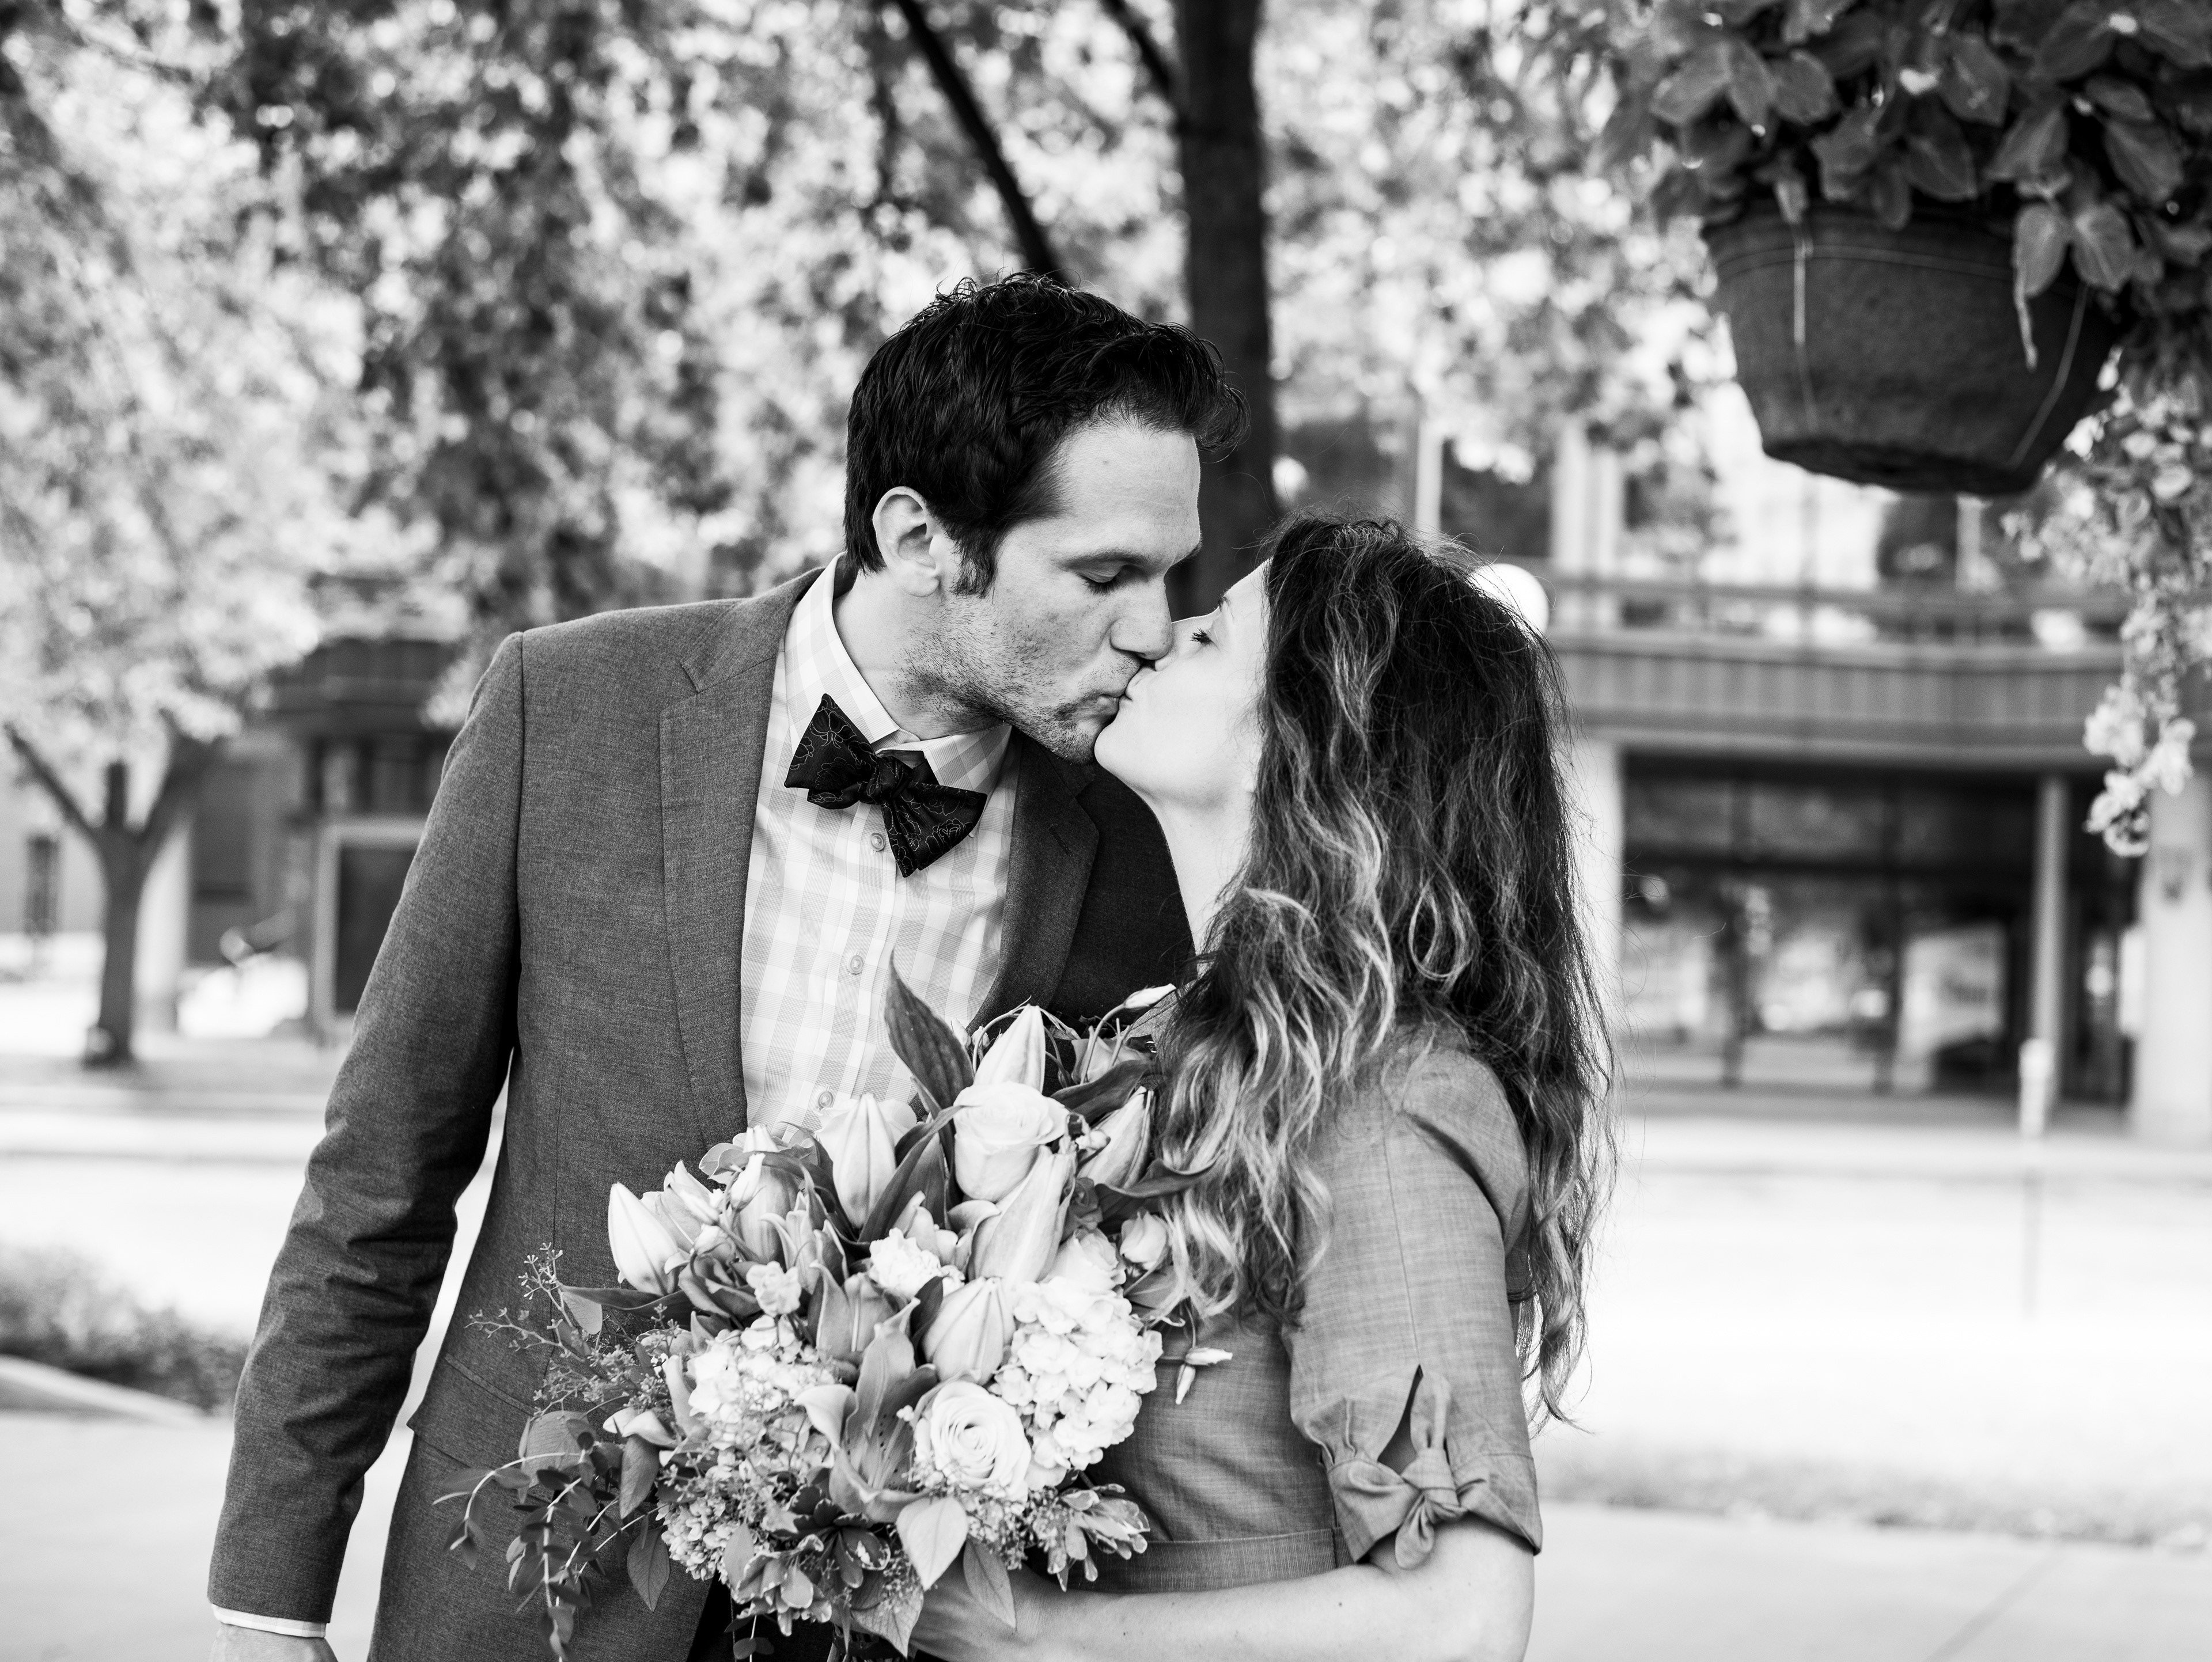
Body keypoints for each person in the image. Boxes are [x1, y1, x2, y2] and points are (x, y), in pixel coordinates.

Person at [206, 275, 1241, 1662]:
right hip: (530, 1593)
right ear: (920, 537)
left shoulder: (1133, 835)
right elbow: (378, 1183)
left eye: (1170, 575)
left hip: (908, 1623)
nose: (1154, 627)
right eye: (1105, 576)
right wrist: (267, 1600)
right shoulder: (567, 709)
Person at [912, 513, 1614, 1662]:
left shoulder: (1384, 1100)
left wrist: (1033, 1635)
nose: (1160, 632)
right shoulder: (1175, 1047)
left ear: (1309, 739)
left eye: (1213, 635)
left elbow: (1460, 1623)